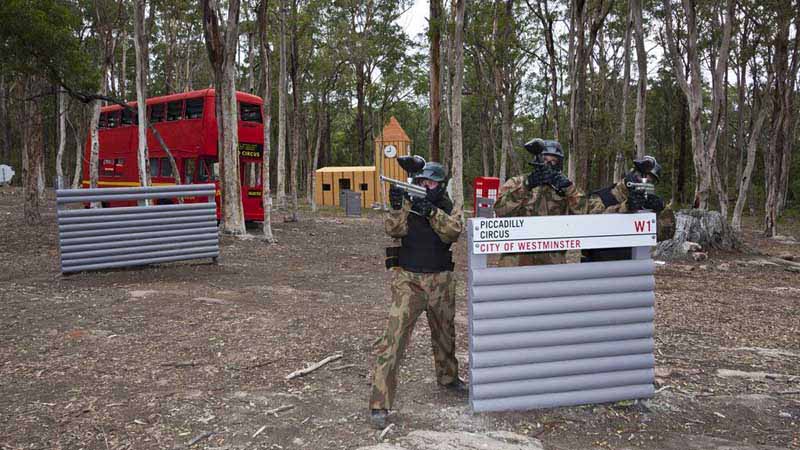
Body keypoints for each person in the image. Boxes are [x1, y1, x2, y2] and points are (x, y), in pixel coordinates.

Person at [369, 162, 466, 429]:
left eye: (430, 183)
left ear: (441, 185)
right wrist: (398, 206)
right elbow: (393, 229)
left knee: (445, 334)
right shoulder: (410, 204)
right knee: (393, 339)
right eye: (420, 182)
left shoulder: (450, 206)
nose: (424, 186)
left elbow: (454, 232)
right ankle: (380, 403)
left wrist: (432, 211)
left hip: (441, 281)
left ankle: (448, 378)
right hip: (408, 280)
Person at [493, 138, 585, 266]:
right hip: (516, 258)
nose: (549, 164)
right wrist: (527, 185)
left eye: (554, 161)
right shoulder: (517, 182)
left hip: (552, 260)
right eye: (545, 160)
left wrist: (569, 189)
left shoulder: (564, 187)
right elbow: (499, 209)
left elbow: (586, 215)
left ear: (559, 164)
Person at [583, 155, 675, 261]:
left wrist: (661, 210)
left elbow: (665, 234)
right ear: (632, 173)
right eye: (642, 176)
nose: (644, 183)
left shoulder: (648, 203)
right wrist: (627, 207)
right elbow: (592, 225)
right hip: (599, 264)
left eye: (650, 181)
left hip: (633, 265)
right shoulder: (601, 196)